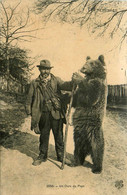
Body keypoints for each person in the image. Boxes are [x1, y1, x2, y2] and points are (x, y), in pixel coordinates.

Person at [25, 59, 72, 166]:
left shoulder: (56, 80)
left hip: (56, 113)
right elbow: (29, 98)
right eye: (43, 69)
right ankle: (42, 156)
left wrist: (74, 81)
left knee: (59, 136)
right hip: (43, 114)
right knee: (43, 136)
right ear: (39, 70)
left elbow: (66, 85)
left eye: (47, 69)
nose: (45, 72)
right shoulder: (35, 83)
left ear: (50, 70)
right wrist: (29, 111)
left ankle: (61, 156)